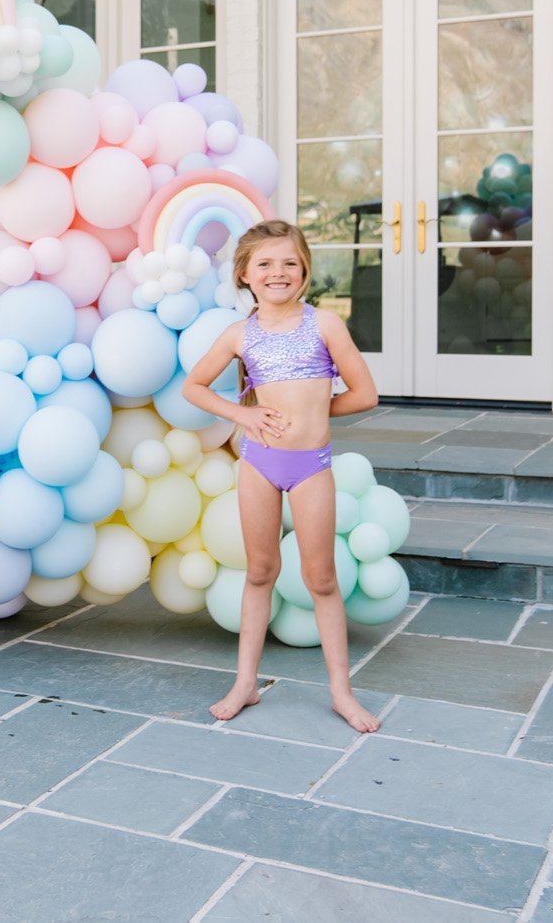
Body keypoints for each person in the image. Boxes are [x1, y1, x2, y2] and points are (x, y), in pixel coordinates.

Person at [182, 219, 381, 730]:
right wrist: (243, 414)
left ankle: (341, 690)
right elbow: (195, 388)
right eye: (265, 264)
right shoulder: (239, 334)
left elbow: (365, 394)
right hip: (259, 465)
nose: (278, 272)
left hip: (311, 467)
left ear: (305, 269)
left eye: (289, 262)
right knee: (260, 571)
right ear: (245, 274)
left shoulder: (325, 325)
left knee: (321, 577)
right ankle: (245, 683)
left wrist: (315, 410)